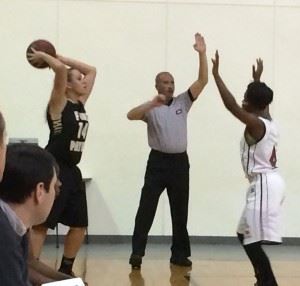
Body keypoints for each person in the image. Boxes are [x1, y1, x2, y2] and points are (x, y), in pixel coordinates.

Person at [127, 33, 208, 269]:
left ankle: (179, 254)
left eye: (172, 82)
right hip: (158, 163)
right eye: (165, 82)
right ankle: (137, 253)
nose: (170, 86)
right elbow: (131, 115)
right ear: (157, 85)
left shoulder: (183, 101)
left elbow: (202, 81)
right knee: (147, 208)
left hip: (180, 163)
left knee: (179, 211)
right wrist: (152, 103)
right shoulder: (151, 108)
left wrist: (202, 53)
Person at [211, 51, 285, 286]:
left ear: (254, 104)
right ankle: (263, 280)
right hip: (265, 183)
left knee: (251, 239)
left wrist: (216, 75)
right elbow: (257, 101)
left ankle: (268, 282)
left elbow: (231, 105)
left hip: (264, 183)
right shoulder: (267, 118)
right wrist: (256, 81)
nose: (243, 100)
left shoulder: (256, 123)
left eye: (247, 97)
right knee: (244, 234)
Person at [28, 49, 97, 276]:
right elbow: (58, 70)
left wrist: (61, 57)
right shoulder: (59, 104)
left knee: (79, 224)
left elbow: (92, 70)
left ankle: (66, 270)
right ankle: (30, 268)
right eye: (78, 79)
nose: (84, 82)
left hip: (72, 171)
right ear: (66, 86)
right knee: (42, 225)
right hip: (54, 169)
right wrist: (45, 55)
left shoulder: (80, 102)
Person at [0, 143, 58, 286]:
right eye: (54, 187)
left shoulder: (16, 228)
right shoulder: (4, 236)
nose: (55, 194)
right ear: (40, 191)